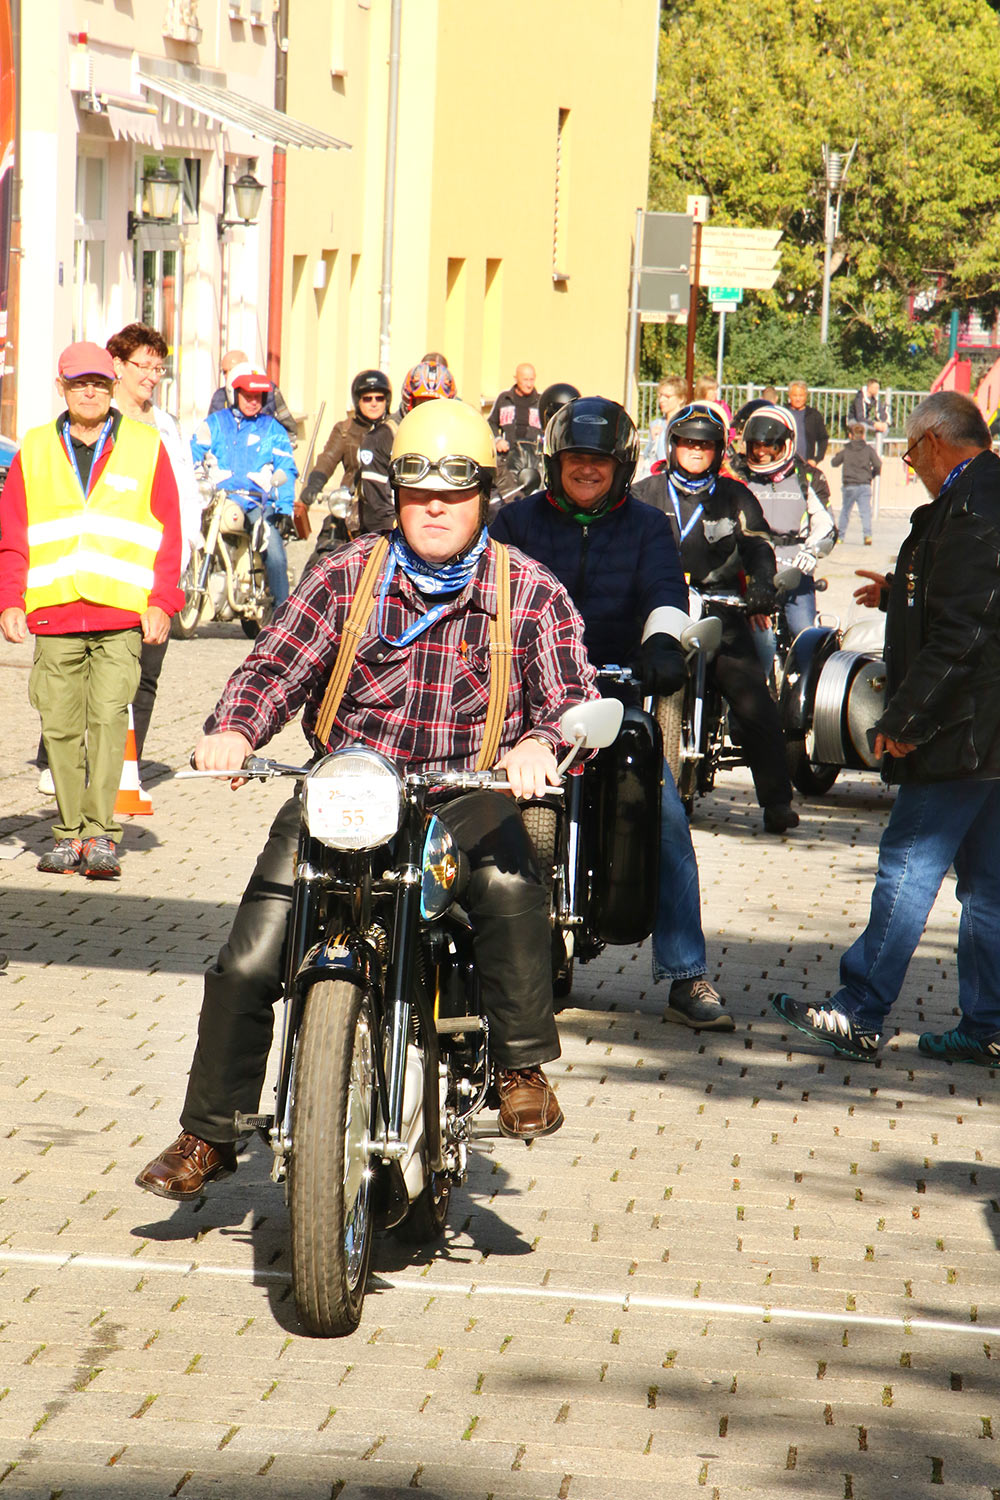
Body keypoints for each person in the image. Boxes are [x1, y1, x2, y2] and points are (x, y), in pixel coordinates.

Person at [135, 399, 599, 1200]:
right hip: (347, 788)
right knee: (249, 956)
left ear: (484, 497)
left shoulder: (527, 589)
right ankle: (207, 1131)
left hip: (462, 791)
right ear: (397, 496)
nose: (435, 509)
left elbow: (569, 696)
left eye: (454, 495)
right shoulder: (346, 573)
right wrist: (236, 729)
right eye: (419, 494)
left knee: (512, 884)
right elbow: (274, 665)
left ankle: (520, 1067)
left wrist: (539, 744)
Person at [491, 395, 736, 1029]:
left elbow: (664, 591)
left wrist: (662, 642)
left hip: (611, 694)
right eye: (575, 457)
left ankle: (686, 973)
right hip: (524, 701)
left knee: (666, 815)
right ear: (554, 462)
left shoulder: (648, 527)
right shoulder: (514, 522)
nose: (586, 468)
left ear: (621, 467)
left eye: (599, 460)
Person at [772, 391, 1000, 1068]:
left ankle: (858, 1011)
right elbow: (968, 599)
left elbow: (966, 630)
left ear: (934, 441)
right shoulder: (977, 496)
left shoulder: (976, 506)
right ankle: (987, 1023)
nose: (910, 465)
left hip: (961, 729)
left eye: (910, 451)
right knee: (987, 884)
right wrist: (902, 591)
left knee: (908, 865)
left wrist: (904, 719)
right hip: (986, 732)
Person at [0, 341, 183, 877]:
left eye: (99, 384)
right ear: (61, 387)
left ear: (112, 387)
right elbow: (13, 536)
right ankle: (67, 834)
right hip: (55, 614)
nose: (90, 392)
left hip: (120, 615)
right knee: (59, 728)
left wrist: (162, 602)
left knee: (107, 723)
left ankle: (100, 835)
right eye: (79, 383)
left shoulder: (145, 446)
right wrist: (10, 600)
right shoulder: (34, 448)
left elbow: (169, 533)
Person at [633, 403, 799, 834]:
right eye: (687, 442)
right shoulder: (645, 492)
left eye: (705, 444)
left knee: (754, 698)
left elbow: (759, 544)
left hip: (719, 611)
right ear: (671, 445)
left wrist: (761, 586)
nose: (695, 450)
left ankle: (777, 800)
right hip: (657, 610)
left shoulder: (734, 495)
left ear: (718, 451)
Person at [107, 323, 203, 760]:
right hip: (110, 567)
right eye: (143, 366)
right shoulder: (102, 421)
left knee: (145, 675)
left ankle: (127, 768)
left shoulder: (167, 425)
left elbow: (184, 492)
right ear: (118, 365)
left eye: (157, 368)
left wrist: (188, 542)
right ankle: (61, 759)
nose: (151, 376)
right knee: (95, 674)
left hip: (159, 571)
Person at [191, 364, 298, 608]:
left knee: (274, 549)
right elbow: (193, 453)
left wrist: (284, 508)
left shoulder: (273, 429)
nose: (253, 401)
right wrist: (193, 478)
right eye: (247, 396)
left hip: (256, 502)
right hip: (217, 498)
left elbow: (286, 467)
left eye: (258, 396)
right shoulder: (215, 423)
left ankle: (282, 612)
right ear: (234, 394)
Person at [734, 404, 836, 647]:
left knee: (805, 634)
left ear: (786, 443)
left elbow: (826, 524)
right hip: (752, 571)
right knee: (743, 636)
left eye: (769, 445)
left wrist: (812, 550)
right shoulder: (740, 476)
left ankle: (804, 670)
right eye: (755, 445)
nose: (761, 452)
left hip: (795, 570)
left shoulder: (808, 476)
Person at [297, 369, 395, 543]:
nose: (374, 403)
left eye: (379, 398)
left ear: (387, 400)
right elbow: (327, 460)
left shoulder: (394, 430)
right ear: (358, 401)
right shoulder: (345, 430)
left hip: (385, 505)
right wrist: (313, 486)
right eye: (367, 398)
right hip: (350, 505)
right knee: (324, 551)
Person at [208, 349, 297, 440]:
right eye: (224, 372)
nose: (228, 375)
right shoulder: (219, 396)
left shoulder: (270, 390)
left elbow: (290, 430)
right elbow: (210, 432)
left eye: (232, 370)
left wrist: (273, 444)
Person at [832, 421, 882, 544]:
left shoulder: (846, 450)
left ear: (850, 435)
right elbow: (878, 464)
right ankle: (867, 536)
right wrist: (872, 475)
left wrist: (838, 455)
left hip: (849, 485)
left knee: (845, 511)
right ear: (863, 435)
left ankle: (840, 537)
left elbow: (834, 463)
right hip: (864, 484)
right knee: (865, 512)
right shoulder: (868, 450)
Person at [487, 364, 541, 456]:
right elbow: (491, 423)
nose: (529, 384)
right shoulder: (504, 399)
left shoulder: (540, 401)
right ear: (516, 379)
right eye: (525, 380)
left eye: (532, 380)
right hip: (508, 455)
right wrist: (498, 440)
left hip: (533, 456)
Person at [643, 375, 688, 464]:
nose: (661, 400)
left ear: (681, 399)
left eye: (667, 396)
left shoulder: (688, 424)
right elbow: (647, 456)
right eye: (660, 395)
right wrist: (653, 440)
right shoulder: (656, 424)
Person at [786, 380, 829, 464]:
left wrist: (817, 459)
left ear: (806, 396)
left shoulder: (813, 415)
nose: (798, 399)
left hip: (805, 463)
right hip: (784, 463)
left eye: (801, 395)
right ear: (789, 396)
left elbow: (823, 439)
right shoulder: (783, 413)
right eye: (795, 395)